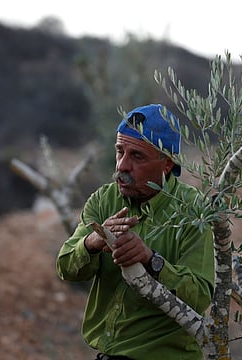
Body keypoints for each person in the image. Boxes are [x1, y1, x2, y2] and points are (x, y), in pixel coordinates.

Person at [56, 104, 215, 360]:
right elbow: (66, 267)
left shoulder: (193, 211)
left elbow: (200, 295)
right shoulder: (104, 200)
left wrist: (150, 260)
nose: (122, 166)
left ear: (167, 163)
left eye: (137, 156)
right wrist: (92, 242)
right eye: (120, 151)